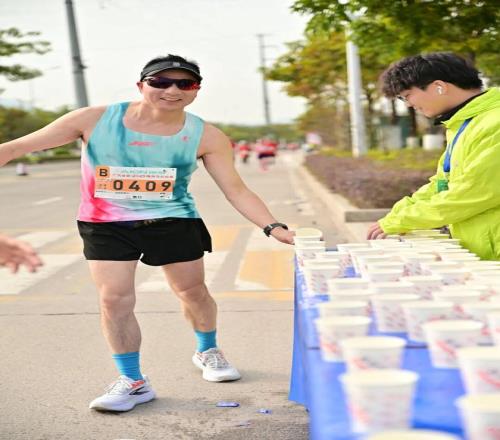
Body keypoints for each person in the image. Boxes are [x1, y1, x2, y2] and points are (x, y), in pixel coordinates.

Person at [0, 54, 295, 412]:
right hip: (106, 224)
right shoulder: (93, 119)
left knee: (192, 292)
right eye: (160, 82)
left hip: (173, 221)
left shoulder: (206, 135)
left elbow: (236, 189)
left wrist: (272, 226)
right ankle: (133, 381)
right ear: (141, 85)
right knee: (114, 300)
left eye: (184, 83)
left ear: (196, 90)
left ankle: (207, 349)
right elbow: (14, 148)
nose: (172, 90)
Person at [367, 52, 500, 260]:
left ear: (439, 86)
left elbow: (472, 193)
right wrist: (398, 214)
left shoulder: (494, 122)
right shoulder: (464, 124)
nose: (408, 104)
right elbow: (442, 184)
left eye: (407, 95)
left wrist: (401, 220)